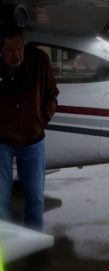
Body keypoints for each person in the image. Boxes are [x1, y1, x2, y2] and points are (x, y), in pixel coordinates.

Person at [0, 26, 58, 231]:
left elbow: (52, 93)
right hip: (2, 141)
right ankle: (4, 250)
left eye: (19, 49)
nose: (16, 55)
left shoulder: (40, 60)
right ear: (1, 51)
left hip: (33, 139)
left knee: (35, 198)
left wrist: (41, 119)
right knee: (1, 200)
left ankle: (34, 248)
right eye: (10, 51)